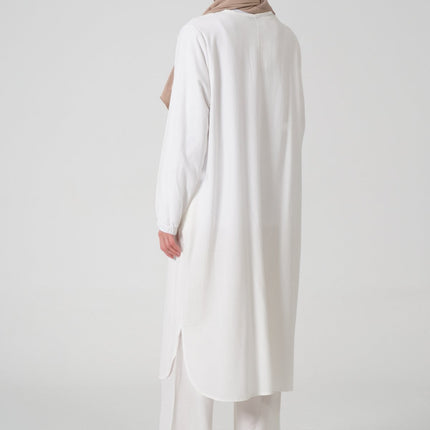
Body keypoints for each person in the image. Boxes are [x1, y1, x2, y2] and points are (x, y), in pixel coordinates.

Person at [154, 1, 305, 428]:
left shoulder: (201, 34)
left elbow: (186, 136)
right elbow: (294, 129)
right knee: (260, 354)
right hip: (272, 222)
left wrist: (168, 213)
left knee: (190, 346)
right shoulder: (287, 40)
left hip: (213, 220)